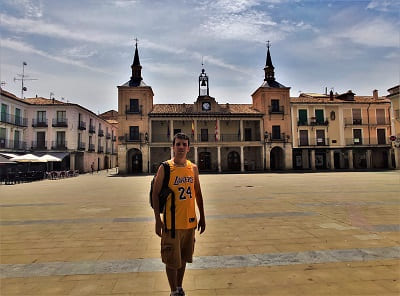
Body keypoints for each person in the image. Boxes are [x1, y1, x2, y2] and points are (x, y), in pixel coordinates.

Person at [152, 133, 206, 296]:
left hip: (190, 224)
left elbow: (197, 192)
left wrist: (202, 216)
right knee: (171, 260)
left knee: (183, 259)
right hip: (171, 224)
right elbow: (155, 194)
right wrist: (157, 220)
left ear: (189, 148)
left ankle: (180, 287)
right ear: (173, 147)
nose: (181, 147)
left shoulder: (193, 168)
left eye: (184, 144)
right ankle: (173, 291)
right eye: (178, 144)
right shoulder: (165, 168)